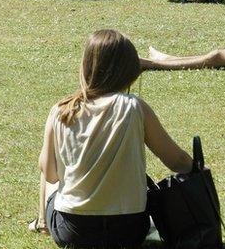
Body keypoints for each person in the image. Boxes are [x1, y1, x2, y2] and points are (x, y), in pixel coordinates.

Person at [28, 29, 193, 248]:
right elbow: (177, 161)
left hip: (74, 231)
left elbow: (50, 174)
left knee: (46, 163)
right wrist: (198, 168)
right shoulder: (134, 108)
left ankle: (43, 223)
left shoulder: (61, 111)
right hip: (128, 230)